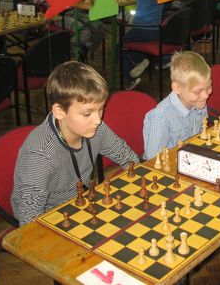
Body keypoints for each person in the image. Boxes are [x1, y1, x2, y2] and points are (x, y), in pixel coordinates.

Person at [11, 61, 139, 225]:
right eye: (87, 114)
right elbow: (29, 220)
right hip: (51, 218)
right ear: (59, 111)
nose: (98, 120)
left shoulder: (96, 129)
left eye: (101, 109)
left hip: (81, 204)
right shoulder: (40, 155)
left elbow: (128, 158)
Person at [142, 51, 211, 160]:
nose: (206, 95)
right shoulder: (160, 118)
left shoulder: (198, 102)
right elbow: (153, 161)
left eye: (209, 87)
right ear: (177, 88)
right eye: (197, 91)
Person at [112, 0, 165, 90]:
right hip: (156, 30)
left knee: (119, 46)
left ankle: (130, 78)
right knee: (133, 45)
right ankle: (139, 60)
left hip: (141, 29)